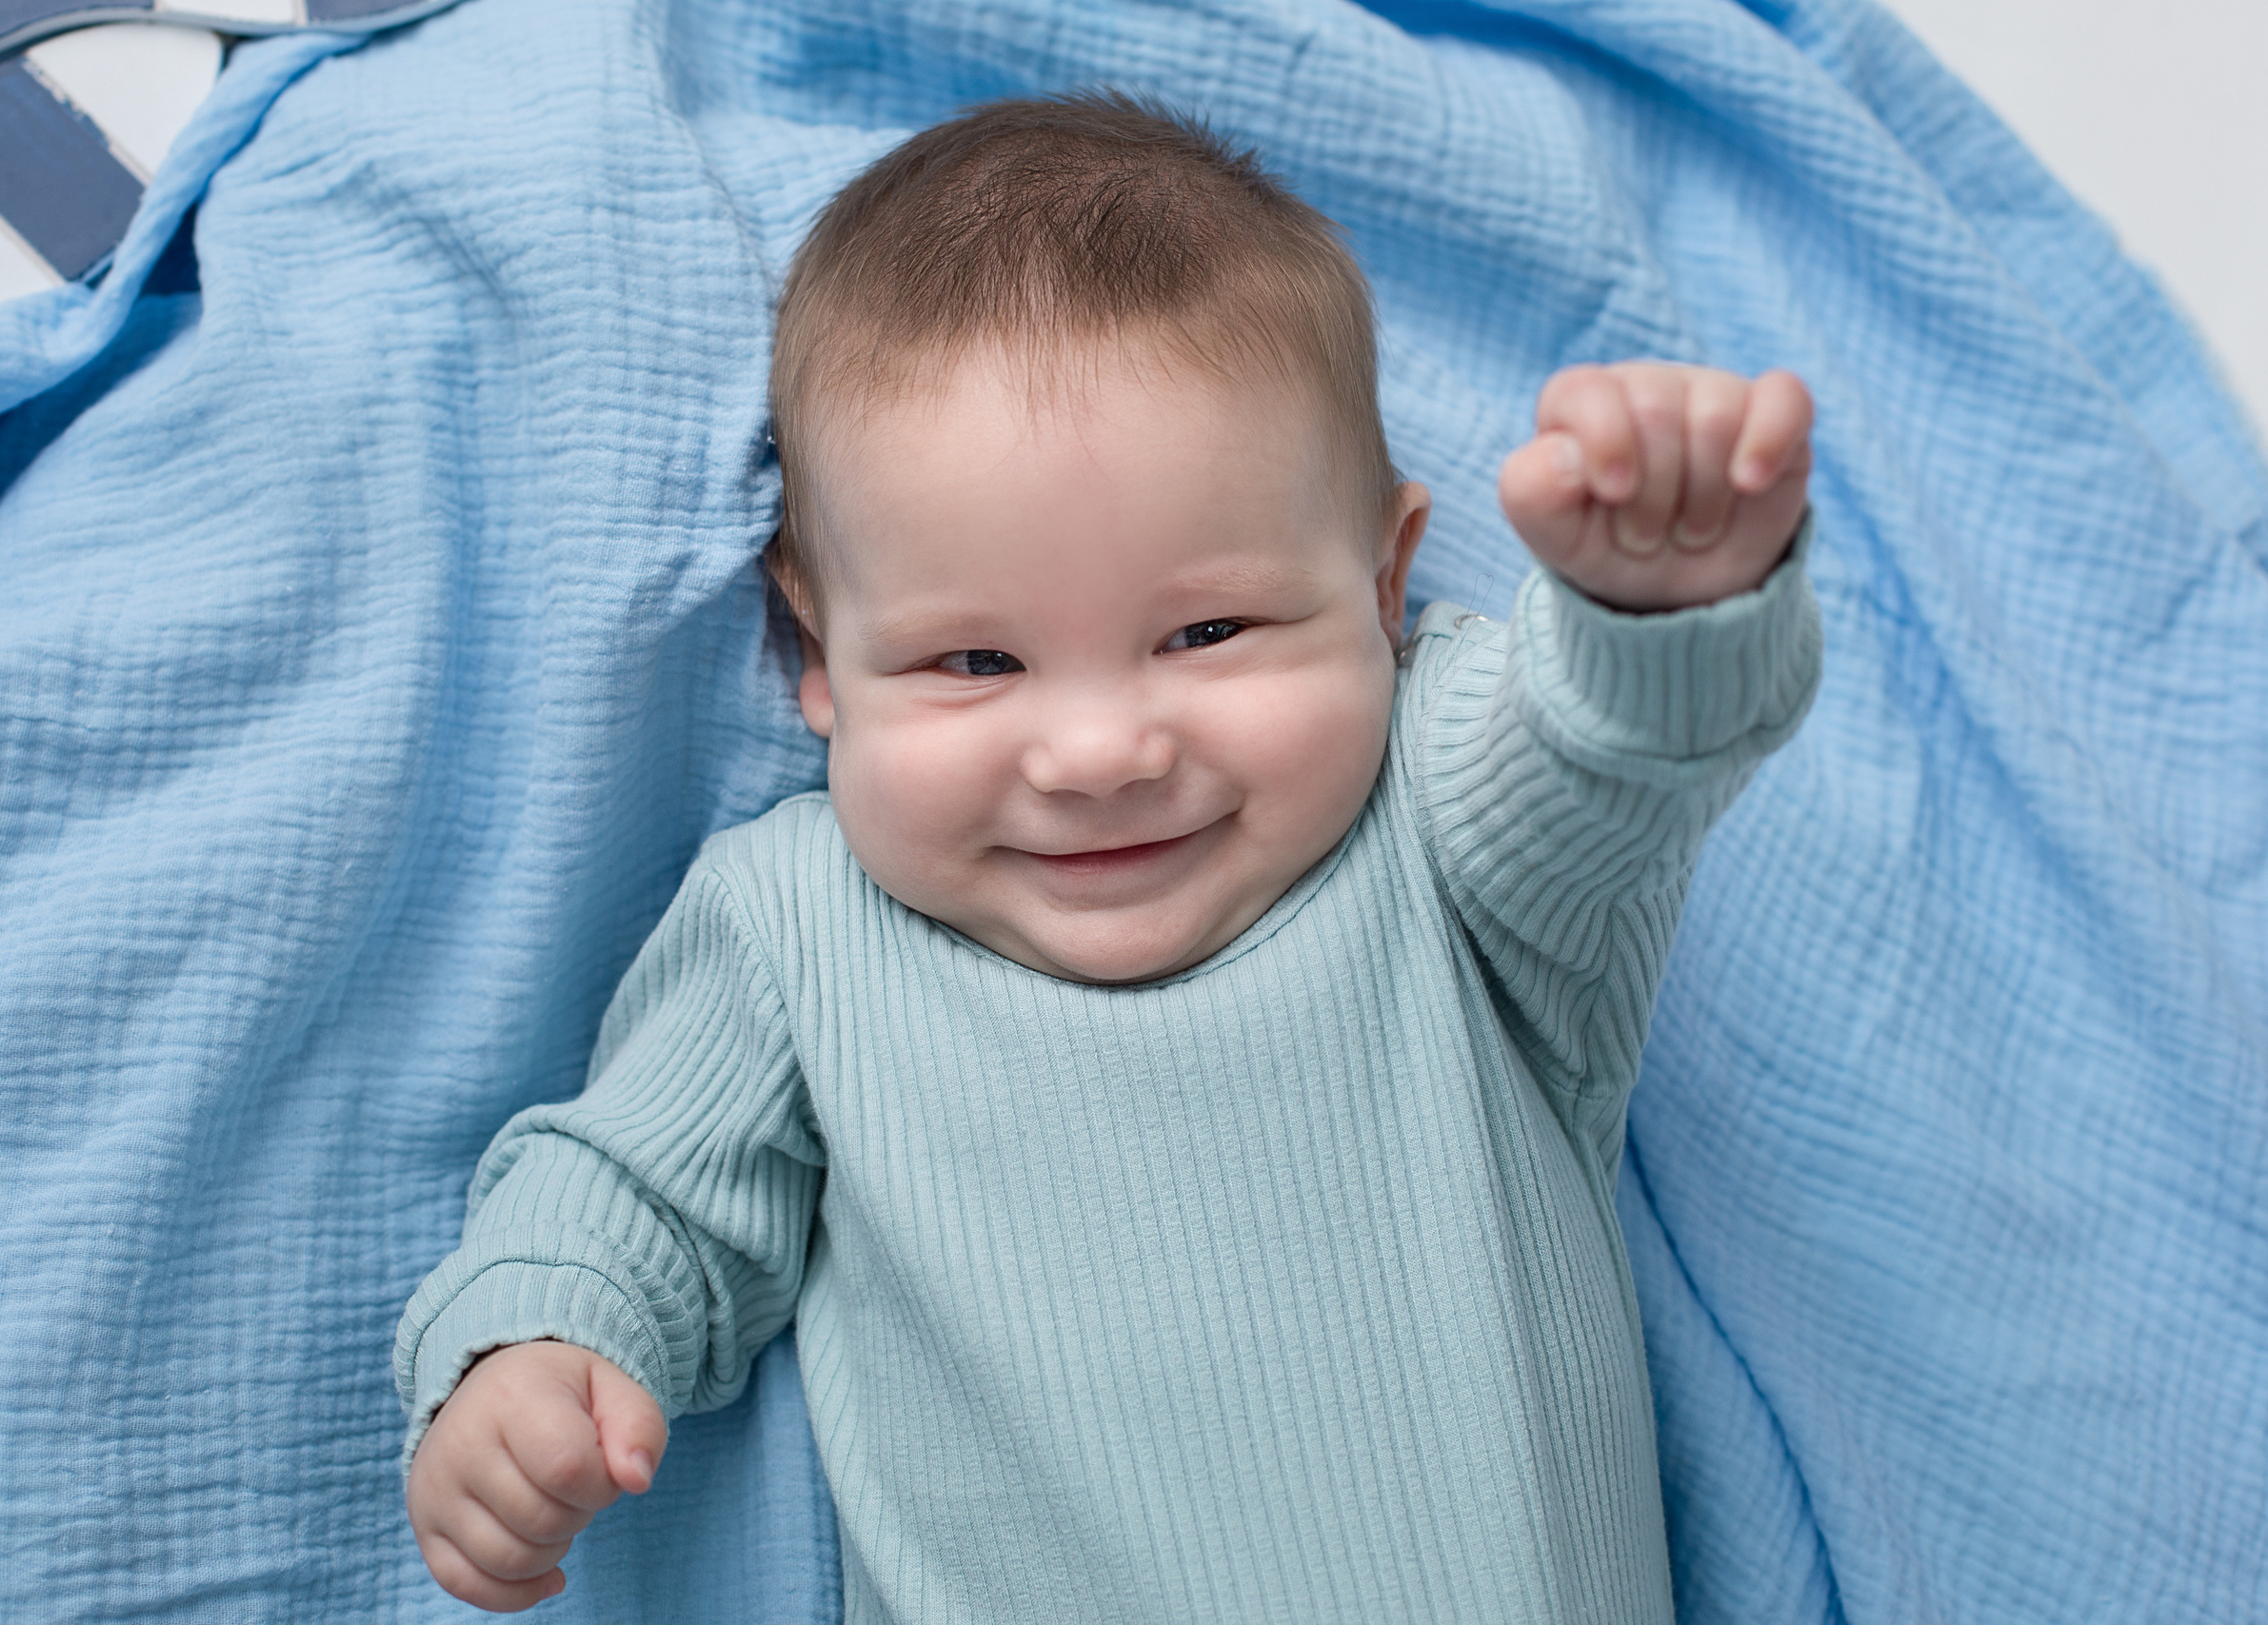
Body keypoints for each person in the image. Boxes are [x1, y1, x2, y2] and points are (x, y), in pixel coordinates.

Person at [393, 91, 1820, 1622]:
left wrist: (1657, 617)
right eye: (973, 663)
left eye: (1207, 634)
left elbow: (1604, 759)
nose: (1100, 755)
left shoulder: (1439, 817)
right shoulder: (797, 929)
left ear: (1390, 581)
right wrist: (535, 1347)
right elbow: (637, 1191)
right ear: (816, 648)